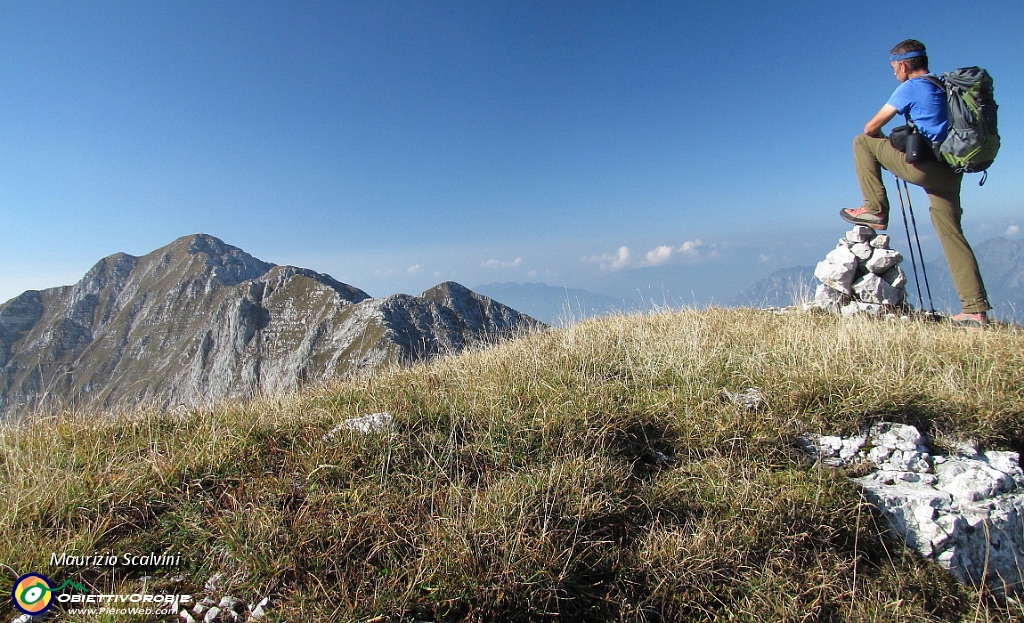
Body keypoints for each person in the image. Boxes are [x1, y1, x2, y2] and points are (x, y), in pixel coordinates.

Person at [841, 39, 990, 328]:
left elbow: (870, 128)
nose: (894, 73)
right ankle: (974, 309)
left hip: (924, 168)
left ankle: (875, 209)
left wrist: (890, 144)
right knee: (952, 235)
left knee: (862, 142)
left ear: (904, 65)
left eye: (894, 67)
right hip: (951, 170)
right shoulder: (943, 86)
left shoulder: (910, 87)